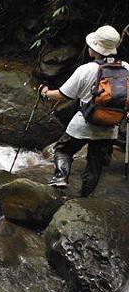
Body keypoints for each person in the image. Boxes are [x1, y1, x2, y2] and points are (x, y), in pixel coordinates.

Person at [40, 25, 129, 196]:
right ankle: (84, 197)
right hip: (110, 126)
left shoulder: (87, 70)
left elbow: (63, 95)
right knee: (95, 164)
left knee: (63, 150)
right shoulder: (126, 68)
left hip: (84, 123)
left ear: (95, 48)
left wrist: (45, 93)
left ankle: (61, 177)